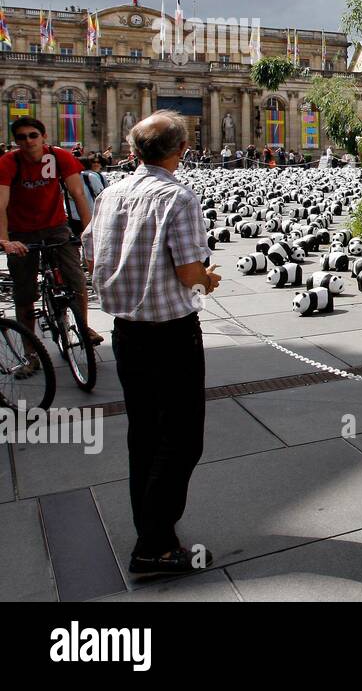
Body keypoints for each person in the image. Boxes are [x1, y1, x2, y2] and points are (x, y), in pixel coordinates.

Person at [82, 111, 221, 576]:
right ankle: (154, 545)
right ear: (180, 152)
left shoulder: (110, 195)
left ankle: (151, 527)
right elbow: (189, 273)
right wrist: (208, 279)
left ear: (133, 150)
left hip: (127, 334)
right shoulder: (178, 198)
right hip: (171, 334)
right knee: (181, 439)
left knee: (143, 433)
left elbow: (88, 253)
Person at [0, 117, 101, 366]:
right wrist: (4, 241)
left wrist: (88, 234)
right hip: (20, 232)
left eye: (33, 135)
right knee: (25, 294)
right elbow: (0, 204)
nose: (28, 141)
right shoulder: (8, 162)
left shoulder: (58, 157)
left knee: (75, 279)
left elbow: (78, 195)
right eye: (21, 137)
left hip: (55, 226)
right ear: (16, 141)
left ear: (43, 137)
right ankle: (31, 352)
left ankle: (83, 326)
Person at [66, 154, 109, 239]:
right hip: (72, 217)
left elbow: (102, 195)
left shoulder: (90, 177)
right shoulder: (67, 178)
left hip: (90, 215)